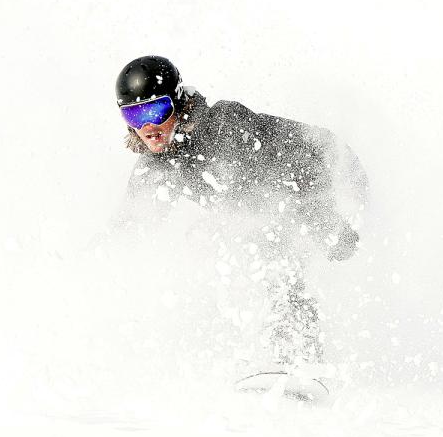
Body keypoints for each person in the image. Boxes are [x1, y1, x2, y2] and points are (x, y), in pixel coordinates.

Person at [111, 55, 367, 368]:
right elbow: (130, 229)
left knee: (267, 244)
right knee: (224, 240)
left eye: (156, 110)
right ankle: (263, 351)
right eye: (135, 115)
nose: (147, 127)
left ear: (177, 104)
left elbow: (299, 165)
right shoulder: (156, 166)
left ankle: (298, 356)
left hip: (330, 165)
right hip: (276, 198)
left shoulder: (224, 126)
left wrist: (327, 224)